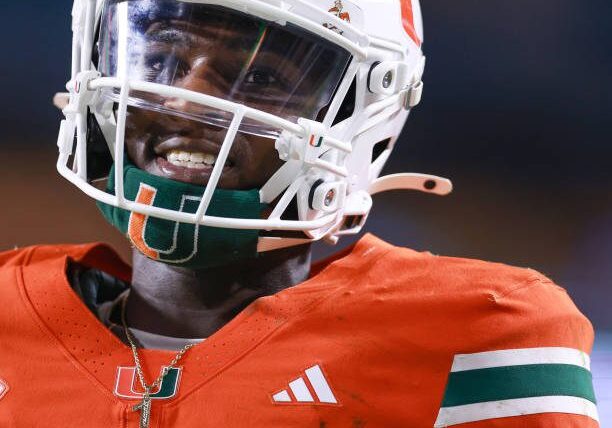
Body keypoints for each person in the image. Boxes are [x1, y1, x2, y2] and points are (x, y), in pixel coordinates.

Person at [0, 0, 599, 427]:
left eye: (260, 77)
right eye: (162, 61)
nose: (185, 100)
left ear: (361, 120)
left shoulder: (479, 332)